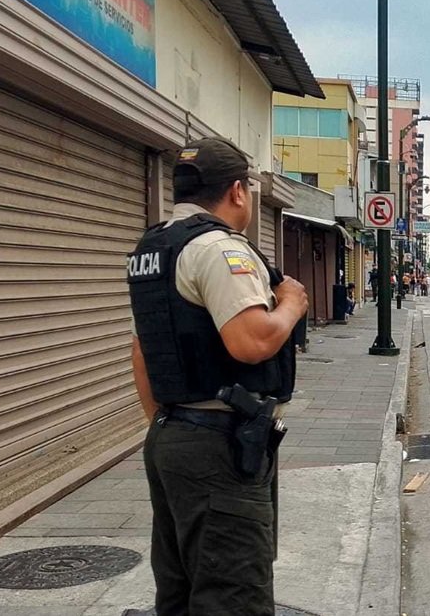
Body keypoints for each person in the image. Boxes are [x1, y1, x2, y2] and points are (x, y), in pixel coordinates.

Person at [127, 137, 308, 614]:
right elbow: (251, 341)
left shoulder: (153, 248)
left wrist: (172, 423)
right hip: (219, 444)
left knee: (180, 589)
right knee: (233, 594)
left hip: (171, 434)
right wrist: (291, 303)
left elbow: (142, 352)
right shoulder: (218, 249)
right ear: (237, 191)